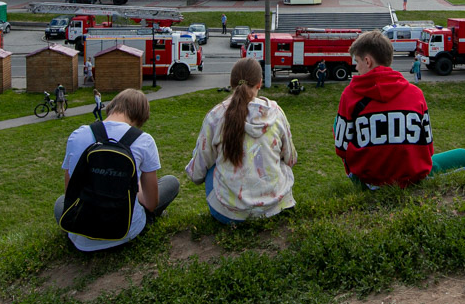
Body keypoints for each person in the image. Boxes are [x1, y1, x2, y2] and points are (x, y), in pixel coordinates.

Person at [333, 30, 465, 187]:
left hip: (369, 181)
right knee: (464, 156)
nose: (356, 67)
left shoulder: (350, 95)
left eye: (357, 61)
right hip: (413, 177)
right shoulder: (416, 93)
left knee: (339, 121)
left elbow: (341, 150)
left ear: (367, 61)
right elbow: (428, 148)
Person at [55, 89, 179, 251]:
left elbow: (70, 191)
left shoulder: (77, 135)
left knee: (60, 202)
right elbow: (150, 203)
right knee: (171, 182)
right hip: (126, 232)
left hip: (80, 236)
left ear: (112, 106)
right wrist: (134, 186)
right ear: (140, 117)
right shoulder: (144, 140)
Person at [186, 58, 297, 224]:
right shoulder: (276, 113)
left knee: (212, 166)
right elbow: (291, 159)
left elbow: (196, 174)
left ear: (231, 83)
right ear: (259, 83)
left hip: (229, 215)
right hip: (274, 209)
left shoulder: (215, 117)